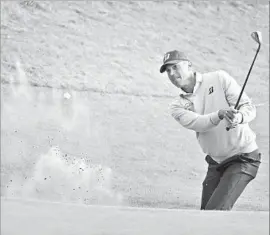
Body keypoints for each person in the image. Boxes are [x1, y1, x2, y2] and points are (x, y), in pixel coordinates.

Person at [160, 50, 261, 210]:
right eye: (167, 71)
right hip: (215, 162)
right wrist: (219, 114)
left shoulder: (219, 78)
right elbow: (198, 123)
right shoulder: (176, 106)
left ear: (189, 65)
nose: (172, 73)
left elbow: (248, 107)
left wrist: (239, 117)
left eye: (175, 67)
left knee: (214, 213)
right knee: (205, 217)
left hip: (243, 158)